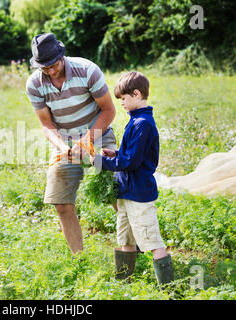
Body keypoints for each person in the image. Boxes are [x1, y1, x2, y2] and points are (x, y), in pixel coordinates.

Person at [26, 33, 117, 255]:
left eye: (53, 65)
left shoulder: (87, 70)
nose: (50, 71)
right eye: (44, 68)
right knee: (61, 203)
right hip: (64, 141)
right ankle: (80, 260)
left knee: (118, 192)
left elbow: (108, 110)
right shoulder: (34, 84)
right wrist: (63, 148)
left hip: (98, 133)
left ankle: (136, 247)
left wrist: (87, 141)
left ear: (61, 56)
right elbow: (47, 125)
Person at [90, 71, 174, 286]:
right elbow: (130, 156)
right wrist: (115, 154)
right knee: (125, 238)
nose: (122, 104)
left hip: (139, 194)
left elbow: (132, 163)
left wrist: (99, 162)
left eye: (124, 99)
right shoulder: (136, 121)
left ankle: (169, 289)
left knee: (152, 240)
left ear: (136, 94)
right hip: (126, 191)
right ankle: (123, 284)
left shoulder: (143, 124)